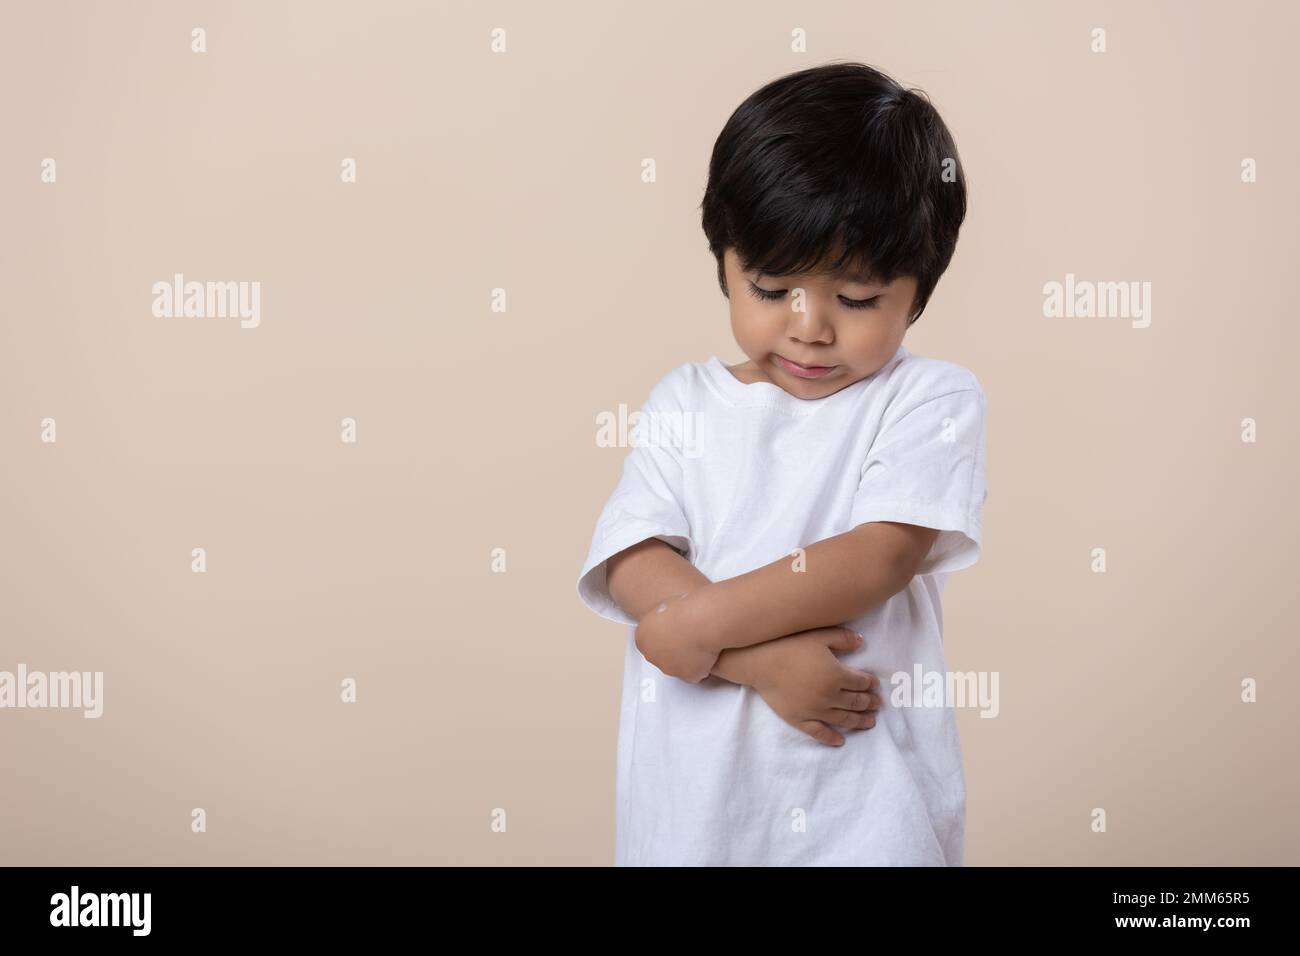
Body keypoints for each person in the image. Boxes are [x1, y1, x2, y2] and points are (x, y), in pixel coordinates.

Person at [576, 61, 988, 865]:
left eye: (857, 300)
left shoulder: (929, 400)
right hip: (698, 805)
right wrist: (756, 662)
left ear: (919, 292)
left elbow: (879, 557)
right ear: (724, 262)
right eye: (770, 288)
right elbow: (634, 555)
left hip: (864, 800)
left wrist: (696, 629)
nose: (810, 327)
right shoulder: (683, 404)